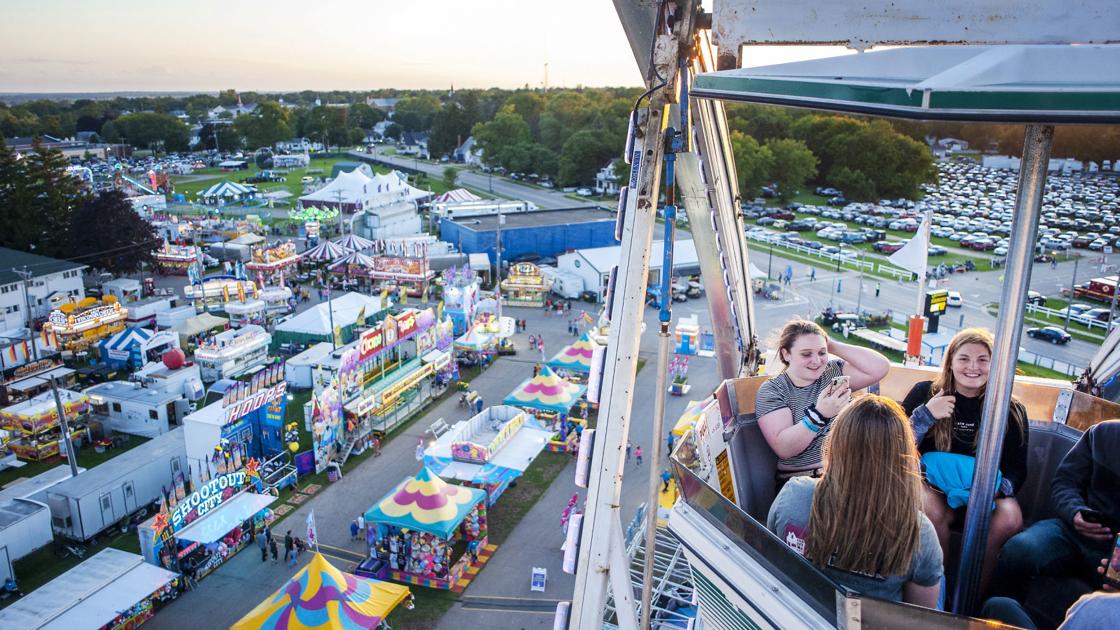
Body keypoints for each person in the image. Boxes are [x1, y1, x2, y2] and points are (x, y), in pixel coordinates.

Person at [767, 395, 943, 606]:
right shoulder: (918, 531)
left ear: (834, 445)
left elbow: (772, 564)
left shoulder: (793, 496)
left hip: (800, 616)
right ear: (903, 457)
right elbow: (917, 617)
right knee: (940, 576)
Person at [902, 328, 1029, 596]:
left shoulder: (1011, 409)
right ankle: (939, 593)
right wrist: (926, 416)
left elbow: (1018, 467)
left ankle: (970, 596)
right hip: (931, 484)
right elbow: (895, 446)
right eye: (964, 359)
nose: (973, 367)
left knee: (1009, 518)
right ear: (950, 362)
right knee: (929, 508)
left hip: (984, 489)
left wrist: (995, 489)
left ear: (995, 366)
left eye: (983, 359)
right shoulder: (925, 393)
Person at [992, 420, 1120, 610]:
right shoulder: (1103, 432)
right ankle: (995, 615)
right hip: (1072, 531)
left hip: (1114, 552)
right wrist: (1075, 512)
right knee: (1019, 550)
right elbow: (1065, 481)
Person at [755, 319, 890, 485]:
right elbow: (784, 449)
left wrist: (830, 344)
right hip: (805, 479)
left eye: (821, 353)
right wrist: (820, 415)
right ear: (786, 354)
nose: (816, 361)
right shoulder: (774, 390)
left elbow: (880, 367)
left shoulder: (833, 372)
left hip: (850, 473)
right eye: (806, 354)